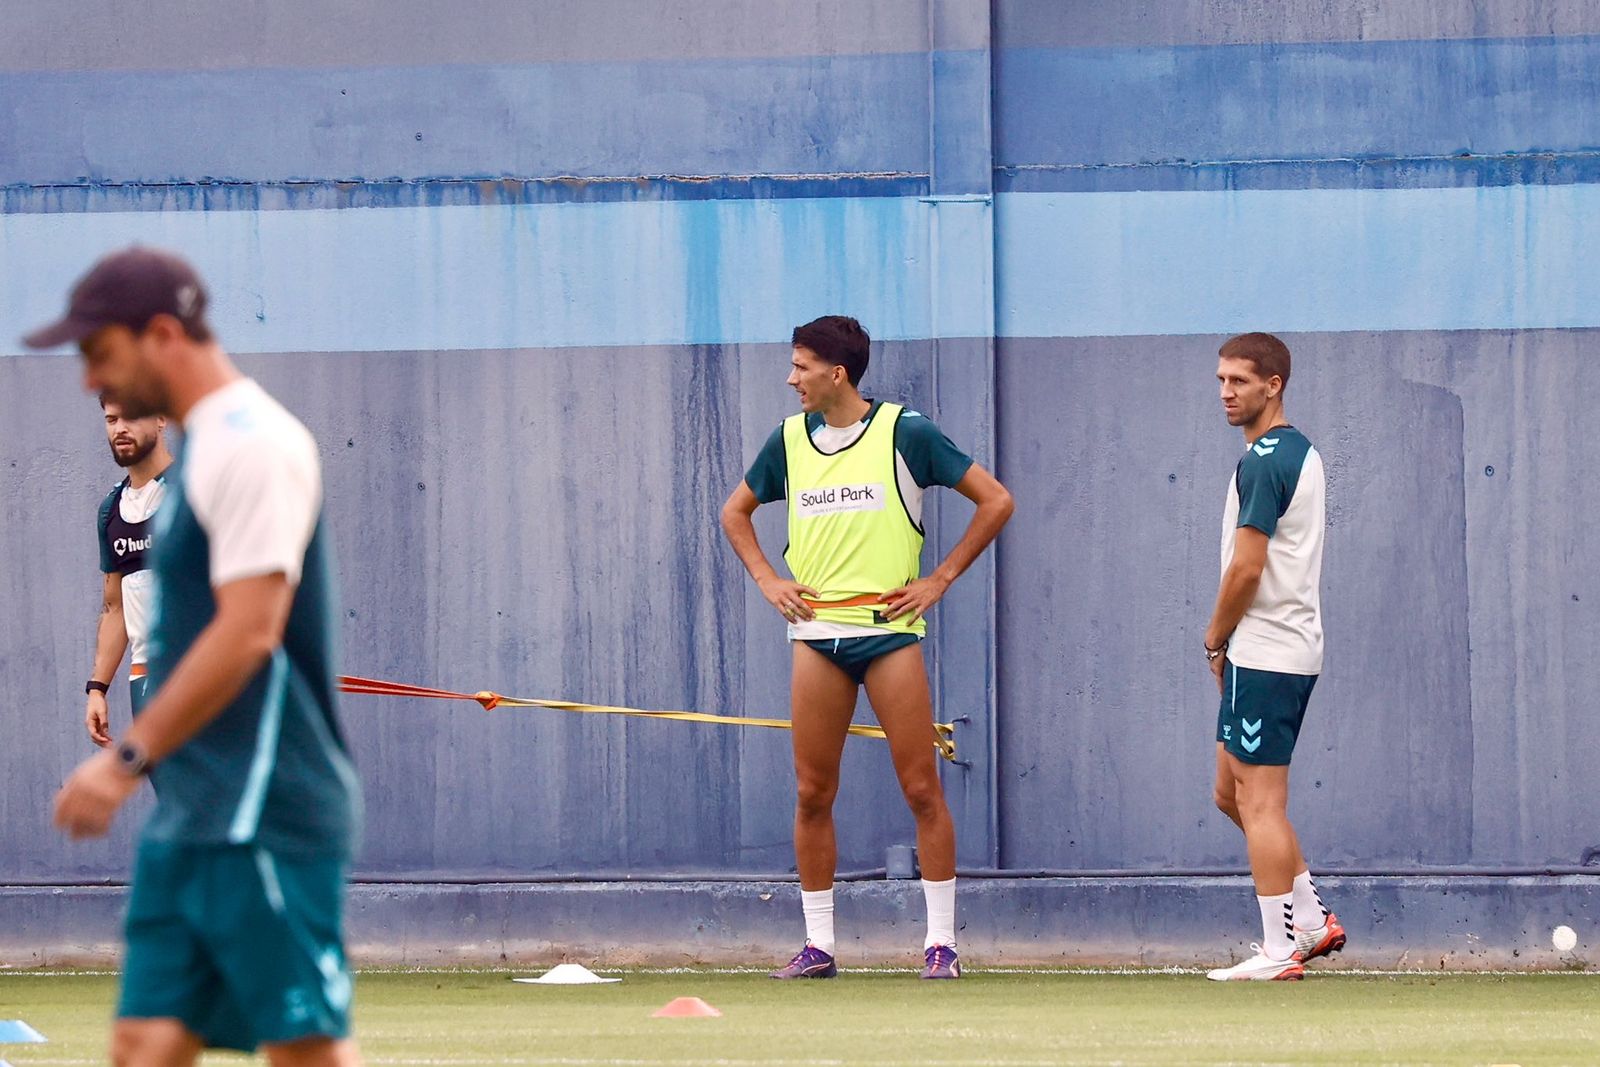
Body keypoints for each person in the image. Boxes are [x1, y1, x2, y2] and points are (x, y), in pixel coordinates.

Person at [29, 247, 365, 1064]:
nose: (89, 385)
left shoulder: (255, 445)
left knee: (304, 1048)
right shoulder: (200, 454)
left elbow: (250, 631)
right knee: (144, 1042)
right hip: (195, 807)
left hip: (265, 802)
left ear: (162, 335)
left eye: (100, 356)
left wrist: (126, 760)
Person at [720, 315, 1013, 980]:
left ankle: (941, 944)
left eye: (801, 366)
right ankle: (819, 945)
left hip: (886, 635)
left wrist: (939, 579)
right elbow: (734, 511)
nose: (791, 378)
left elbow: (995, 500)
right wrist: (769, 579)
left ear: (837, 373)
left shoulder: (904, 432)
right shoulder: (789, 441)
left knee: (920, 787)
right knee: (811, 791)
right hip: (818, 637)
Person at [1201, 333, 1345, 982]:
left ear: (1274, 384)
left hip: (1268, 649)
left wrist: (1214, 636)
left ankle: (1278, 948)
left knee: (1260, 802)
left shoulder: (1266, 459)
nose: (1227, 392)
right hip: (1276, 647)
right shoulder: (1294, 452)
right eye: (1222, 380)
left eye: (1239, 380)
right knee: (1229, 791)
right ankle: (1311, 922)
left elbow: (1246, 568)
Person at [86, 397, 174, 744]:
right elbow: (116, 606)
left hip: (203, 677)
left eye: (132, 416)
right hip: (146, 680)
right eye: (111, 419)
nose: (120, 428)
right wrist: (97, 688)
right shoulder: (111, 511)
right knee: (172, 795)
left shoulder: (194, 495)